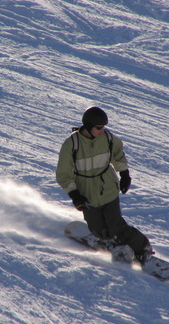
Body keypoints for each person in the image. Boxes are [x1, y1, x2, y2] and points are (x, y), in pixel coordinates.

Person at [56, 106, 153, 264]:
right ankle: (110, 242)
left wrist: (124, 174)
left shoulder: (107, 137)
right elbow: (63, 175)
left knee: (117, 227)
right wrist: (75, 195)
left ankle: (143, 248)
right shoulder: (71, 144)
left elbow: (117, 154)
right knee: (97, 230)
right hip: (87, 193)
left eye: (103, 127)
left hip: (108, 188)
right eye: (99, 127)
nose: (102, 130)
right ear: (88, 126)